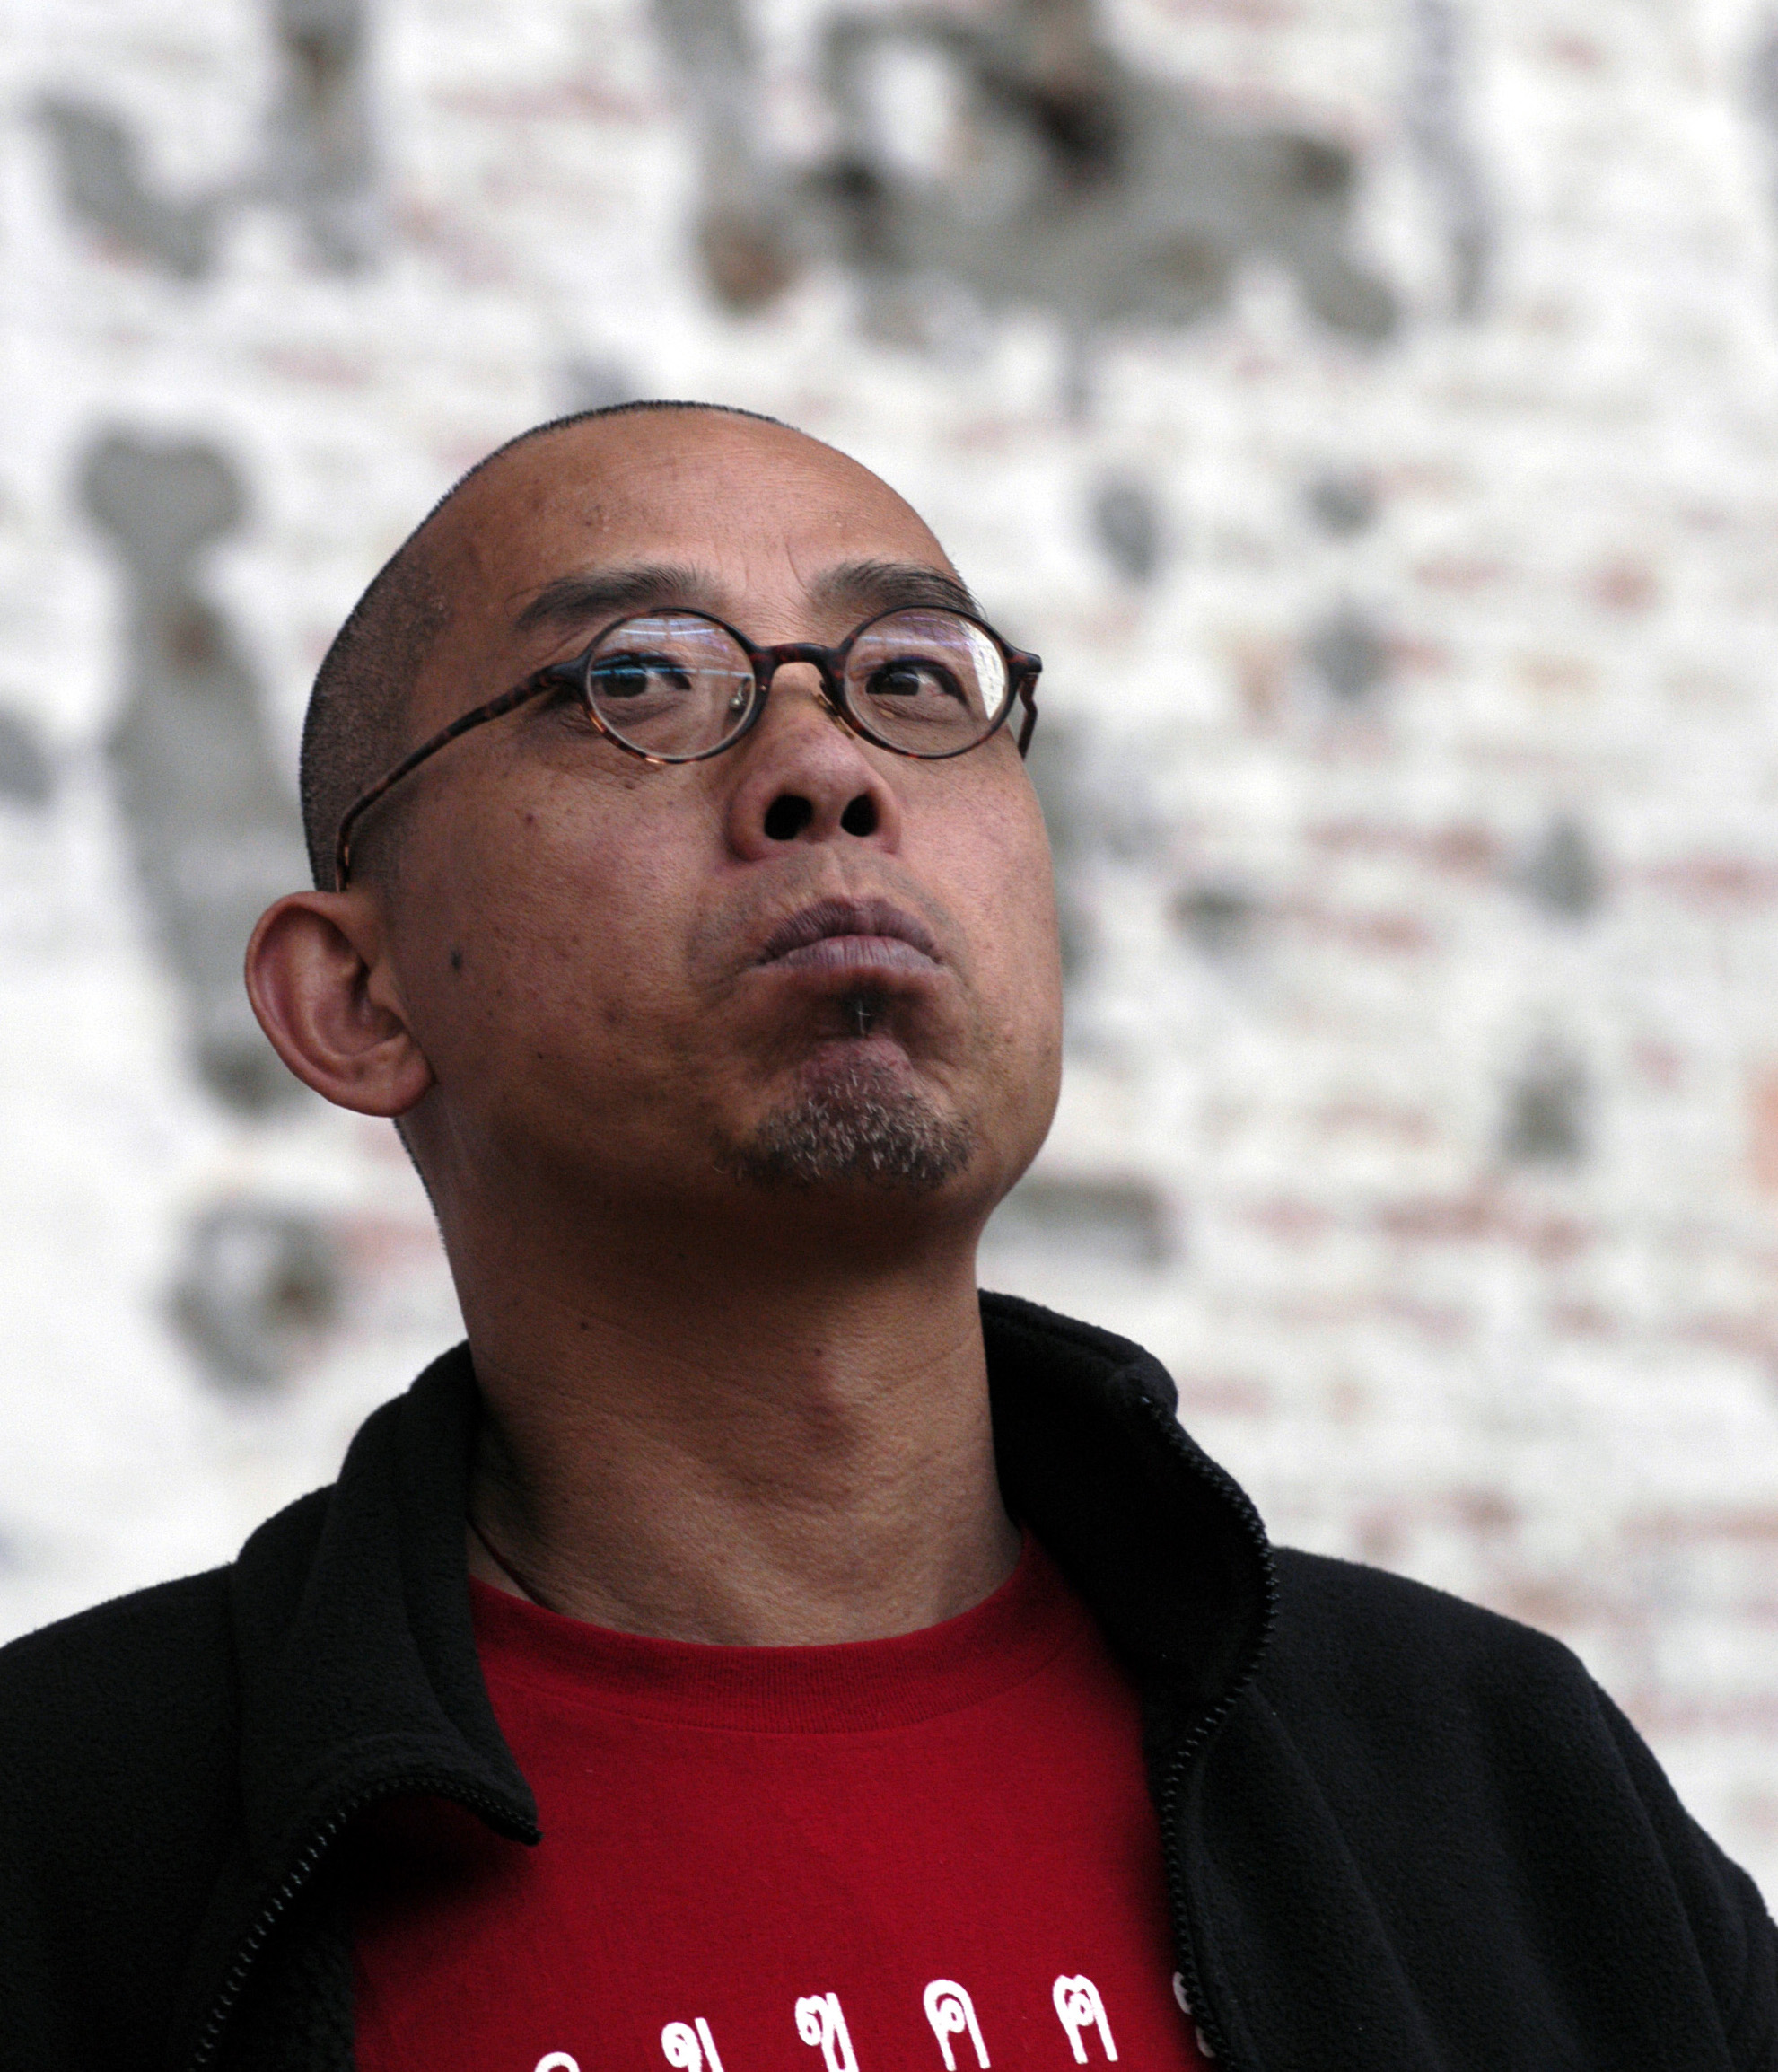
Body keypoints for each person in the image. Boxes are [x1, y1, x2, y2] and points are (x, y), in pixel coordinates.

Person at [1, 402, 1772, 2072]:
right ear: (356, 996)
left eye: (914, 678)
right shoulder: (75, 1851)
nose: (824, 768)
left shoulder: (1484, 1782)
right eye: (636, 680)